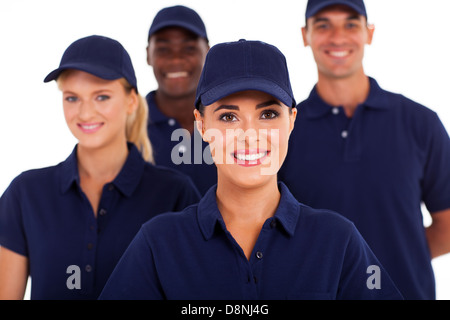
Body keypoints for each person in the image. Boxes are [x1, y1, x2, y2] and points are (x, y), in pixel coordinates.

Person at [99, 39, 402, 300]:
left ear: (292, 119)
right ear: (201, 125)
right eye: (229, 117)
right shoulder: (159, 243)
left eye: (268, 114)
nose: (249, 134)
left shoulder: (337, 240)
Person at [0, 35, 200, 300]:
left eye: (102, 97)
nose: (84, 113)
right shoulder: (25, 194)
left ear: (131, 101)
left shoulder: (175, 193)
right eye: (72, 98)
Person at [278, 0, 450, 300]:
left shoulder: (420, 122)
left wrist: (400, 256)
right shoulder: (283, 130)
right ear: (305, 35)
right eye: (323, 25)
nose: (337, 37)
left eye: (350, 24)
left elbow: (447, 223)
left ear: (369, 33)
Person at [146, 5, 217, 195]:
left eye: (188, 48)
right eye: (163, 49)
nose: (176, 59)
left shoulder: (234, 122)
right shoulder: (126, 127)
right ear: (148, 54)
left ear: (208, 52)